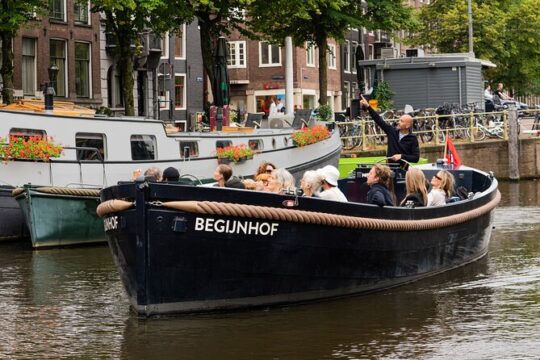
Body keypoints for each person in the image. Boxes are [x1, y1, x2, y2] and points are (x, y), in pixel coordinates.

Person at [360, 95, 419, 165]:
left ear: (407, 125)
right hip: (389, 168)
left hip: (403, 169)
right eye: (399, 120)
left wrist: (401, 156)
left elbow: (416, 158)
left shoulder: (413, 138)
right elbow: (379, 120)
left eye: (401, 121)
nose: (398, 122)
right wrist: (368, 106)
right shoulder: (391, 131)